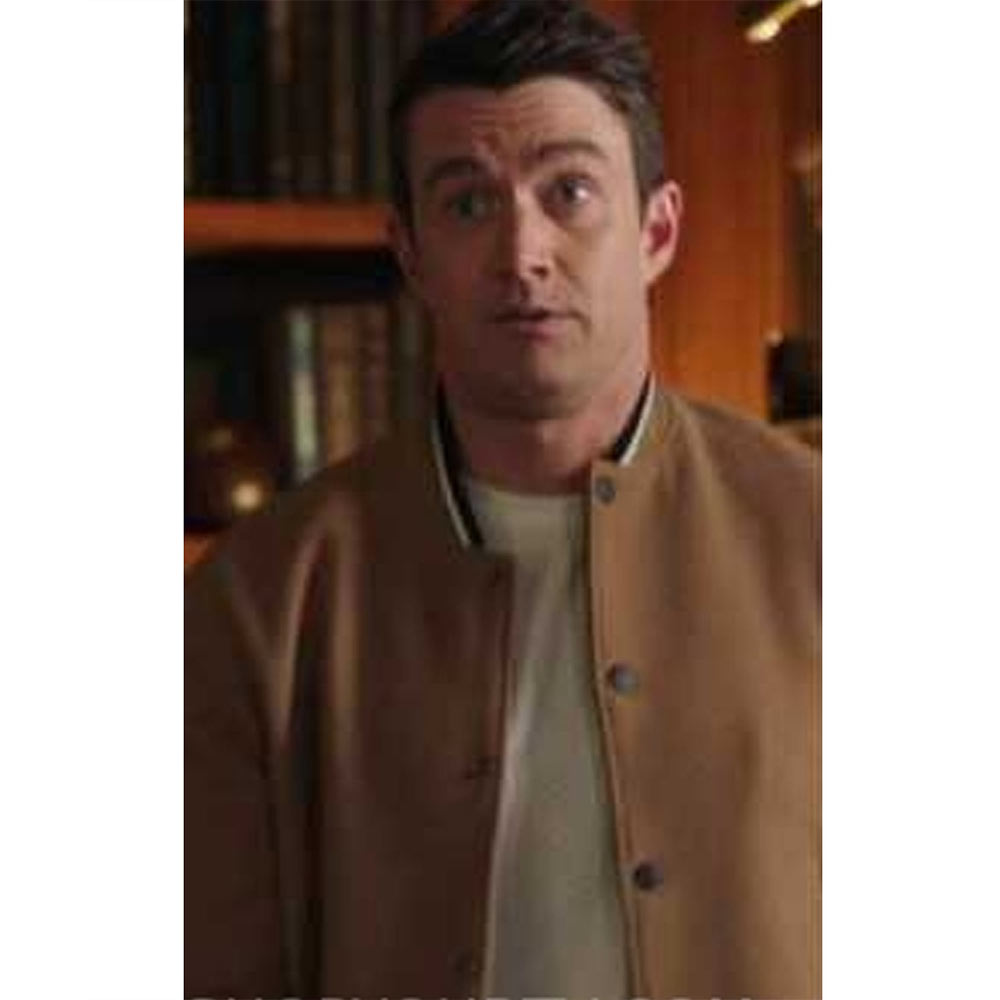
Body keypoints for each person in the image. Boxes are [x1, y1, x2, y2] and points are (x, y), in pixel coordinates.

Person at [184, 1, 821, 998]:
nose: (523, 251)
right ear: (410, 253)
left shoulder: (829, 536)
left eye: (570, 191)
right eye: (468, 202)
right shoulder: (260, 601)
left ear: (656, 230)